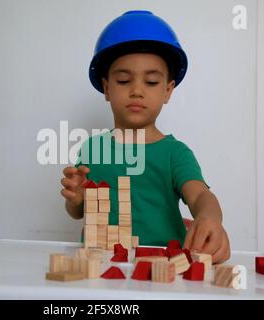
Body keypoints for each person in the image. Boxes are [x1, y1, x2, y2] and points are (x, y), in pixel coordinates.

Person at [60, 10, 230, 263]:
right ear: (107, 88)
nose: (137, 90)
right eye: (124, 80)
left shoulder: (175, 153)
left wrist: (209, 218)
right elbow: (78, 211)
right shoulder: (94, 148)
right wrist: (76, 198)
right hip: (101, 263)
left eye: (151, 82)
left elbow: (200, 196)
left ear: (167, 91)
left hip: (163, 267)